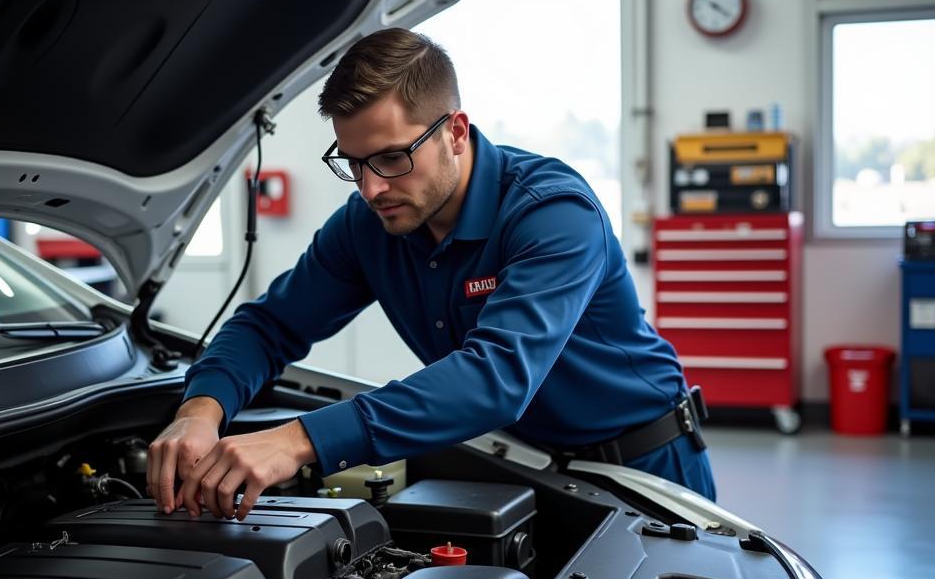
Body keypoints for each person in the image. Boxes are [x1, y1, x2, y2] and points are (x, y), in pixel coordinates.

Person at [147, 28, 715, 521]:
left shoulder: (552, 214)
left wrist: (300, 440)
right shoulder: (368, 226)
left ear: (456, 133)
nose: (371, 189)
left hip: (644, 468)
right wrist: (202, 410)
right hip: (531, 466)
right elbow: (269, 326)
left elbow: (495, 379)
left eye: (392, 158)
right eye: (354, 163)